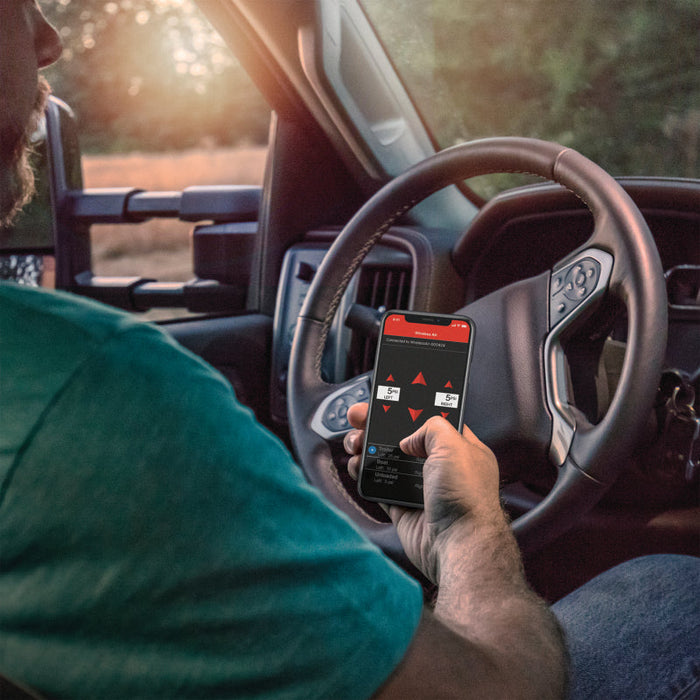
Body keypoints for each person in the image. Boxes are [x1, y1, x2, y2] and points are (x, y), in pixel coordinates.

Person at [0, 3, 697, 699]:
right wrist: (466, 530)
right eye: (19, 5)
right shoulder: (99, 388)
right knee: (673, 589)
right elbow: (500, 689)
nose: (49, 38)